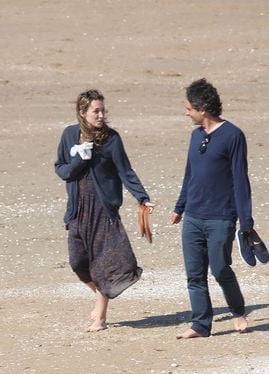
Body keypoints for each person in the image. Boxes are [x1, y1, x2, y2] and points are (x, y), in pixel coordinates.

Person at [170, 78, 266, 339]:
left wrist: (245, 221)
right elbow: (189, 174)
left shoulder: (233, 135)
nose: (186, 112)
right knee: (194, 275)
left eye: (189, 108)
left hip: (221, 218)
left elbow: (240, 179)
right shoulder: (195, 135)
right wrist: (180, 207)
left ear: (203, 109)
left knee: (220, 268)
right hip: (193, 217)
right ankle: (200, 324)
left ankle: (237, 311)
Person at [55, 89, 155, 332]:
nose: (100, 115)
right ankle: (101, 293)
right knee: (77, 262)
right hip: (78, 210)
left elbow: (125, 171)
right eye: (95, 111)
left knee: (102, 265)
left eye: (102, 110)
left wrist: (142, 197)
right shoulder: (69, 135)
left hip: (104, 211)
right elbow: (62, 169)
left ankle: (100, 317)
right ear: (83, 112)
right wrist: (81, 158)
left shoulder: (111, 138)